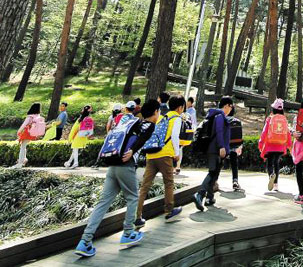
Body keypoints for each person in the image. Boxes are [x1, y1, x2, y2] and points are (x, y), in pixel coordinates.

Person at [74, 99, 160, 258]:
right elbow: (142, 140)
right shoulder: (148, 124)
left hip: (112, 165)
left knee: (103, 203)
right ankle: (128, 232)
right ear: (155, 112)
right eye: (158, 111)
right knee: (133, 197)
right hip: (125, 165)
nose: (158, 114)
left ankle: (84, 241)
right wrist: (133, 150)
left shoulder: (134, 122)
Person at [135, 94, 184, 225]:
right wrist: (177, 152)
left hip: (151, 154)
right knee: (168, 183)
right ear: (180, 108)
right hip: (165, 154)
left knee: (144, 186)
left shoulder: (162, 116)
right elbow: (174, 136)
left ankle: (137, 216)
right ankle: (169, 211)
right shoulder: (176, 118)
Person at [193, 95, 234, 211]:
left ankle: (209, 198)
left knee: (215, 174)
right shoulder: (220, 116)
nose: (231, 109)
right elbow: (219, 131)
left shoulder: (216, 115)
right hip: (215, 149)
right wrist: (222, 147)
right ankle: (199, 194)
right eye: (230, 106)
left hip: (214, 149)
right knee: (212, 173)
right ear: (226, 106)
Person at [258, 98, 291, 192]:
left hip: (270, 145)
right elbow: (287, 133)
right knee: (276, 163)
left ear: (274, 109)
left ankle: (271, 174)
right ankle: (276, 184)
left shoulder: (270, 118)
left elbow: (264, 132)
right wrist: (289, 144)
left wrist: (260, 143)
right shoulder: (284, 120)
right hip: (280, 145)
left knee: (270, 163)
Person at [15, 102, 45, 167]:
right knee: (24, 146)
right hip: (33, 134)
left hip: (27, 133)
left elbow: (24, 125)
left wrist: (18, 131)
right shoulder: (38, 116)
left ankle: (20, 162)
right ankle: (24, 159)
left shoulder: (30, 117)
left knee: (22, 147)